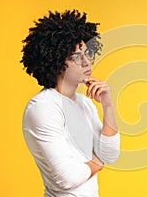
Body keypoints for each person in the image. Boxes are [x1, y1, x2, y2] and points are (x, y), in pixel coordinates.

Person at [20, 10, 120, 197]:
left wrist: (108, 106)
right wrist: (96, 163)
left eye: (86, 53)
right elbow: (66, 177)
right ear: (56, 63)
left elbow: (110, 154)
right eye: (75, 57)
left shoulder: (84, 103)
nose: (86, 62)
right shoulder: (43, 107)